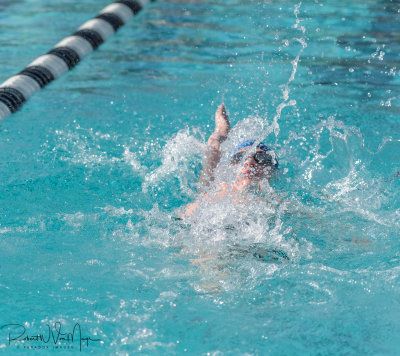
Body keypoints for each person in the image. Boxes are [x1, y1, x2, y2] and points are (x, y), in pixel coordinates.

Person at [181, 104, 279, 218]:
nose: (248, 162)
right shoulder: (217, 190)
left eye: (261, 158)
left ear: (272, 170)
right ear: (231, 166)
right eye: (240, 157)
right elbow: (183, 216)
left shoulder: (276, 204)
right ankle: (222, 131)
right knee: (211, 161)